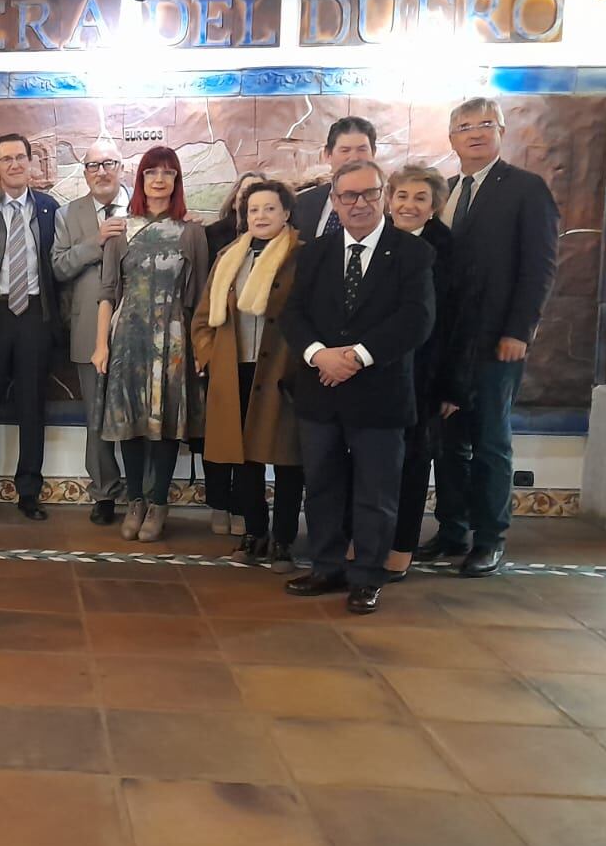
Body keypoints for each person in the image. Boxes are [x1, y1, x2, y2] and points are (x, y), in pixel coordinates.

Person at [281, 160, 434, 615]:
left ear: (383, 195)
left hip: (380, 393)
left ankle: (368, 575)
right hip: (319, 390)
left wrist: (354, 356)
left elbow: (416, 319)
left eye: (369, 193)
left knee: (376, 492)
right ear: (335, 200)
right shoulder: (314, 252)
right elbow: (293, 314)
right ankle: (326, 566)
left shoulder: (412, 253)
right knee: (323, 485)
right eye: (349, 195)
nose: (359, 203)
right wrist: (318, 355)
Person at [422, 98, 560, 577]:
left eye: (485, 124)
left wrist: (518, 330)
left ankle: (490, 538)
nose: (474, 133)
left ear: (501, 131)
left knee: (489, 439)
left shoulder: (525, 189)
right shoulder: (446, 191)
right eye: (464, 126)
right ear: (451, 137)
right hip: (448, 342)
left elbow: (539, 266)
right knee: (448, 440)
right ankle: (452, 530)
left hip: (496, 340)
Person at [92, 146, 209, 543]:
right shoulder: (120, 229)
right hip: (127, 335)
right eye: (150, 173)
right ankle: (135, 501)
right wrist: (100, 346)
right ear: (140, 180)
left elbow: (200, 299)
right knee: (131, 421)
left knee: (166, 421)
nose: (159, 180)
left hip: (174, 336)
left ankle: (159, 502)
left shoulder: (192, 232)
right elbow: (107, 291)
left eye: (168, 173)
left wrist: (200, 349)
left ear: (177, 181)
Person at [192, 180, 303, 573]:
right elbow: (204, 318)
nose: (260, 216)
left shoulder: (301, 255)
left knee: (289, 460)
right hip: (234, 369)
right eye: (253, 210)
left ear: (286, 213)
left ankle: (284, 539)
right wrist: (208, 357)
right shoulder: (229, 256)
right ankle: (254, 532)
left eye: (270, 209)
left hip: (281, 372)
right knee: (246, 459)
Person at [384, 165, 477, 580]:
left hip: (424, 376)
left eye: (420, 198)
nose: (409, 205)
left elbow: (461, 323)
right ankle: (365, 539)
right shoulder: (373, 243)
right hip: (371, 374)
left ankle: (401, 547)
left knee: (414, 461)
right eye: (402, 196)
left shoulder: (449, 249)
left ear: (435, 206)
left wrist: (453, 386)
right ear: (389, 199)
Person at [0, 133, 60, 521]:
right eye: (7, 159)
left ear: (32, 163)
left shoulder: (51, 209)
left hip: (36, 316)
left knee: (32, 406)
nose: (15, 164)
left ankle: (29, 491)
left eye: (21, 157)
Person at [52, 138, 130, 525]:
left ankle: (146, 494)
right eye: (93, 165)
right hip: (87, 330)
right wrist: (95, 242)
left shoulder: (145, 206)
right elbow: (59, 268)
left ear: (122, 167)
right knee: (96, 417)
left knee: (141, 413)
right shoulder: (68, 215)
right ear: (84, 173)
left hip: (139, 329)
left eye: (109, 163)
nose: (101, 171)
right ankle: (104, 493)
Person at [200, 169, 265, 537]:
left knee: (250, 437)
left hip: (260, 358)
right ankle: (218, 503)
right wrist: (205, 351)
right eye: (245, 196)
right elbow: (203, 297)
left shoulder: (282, 246)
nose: (252, 205)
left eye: (259, 198)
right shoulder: (216, 237)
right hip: (222, 353)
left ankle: (244, 505)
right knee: (218, 433)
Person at [290, 117, 377, 242]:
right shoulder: (301, 203)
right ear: (327, 154)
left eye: (362, 149)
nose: (354, 158)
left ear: (373, 153)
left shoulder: (391, 203)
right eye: (345, 150)